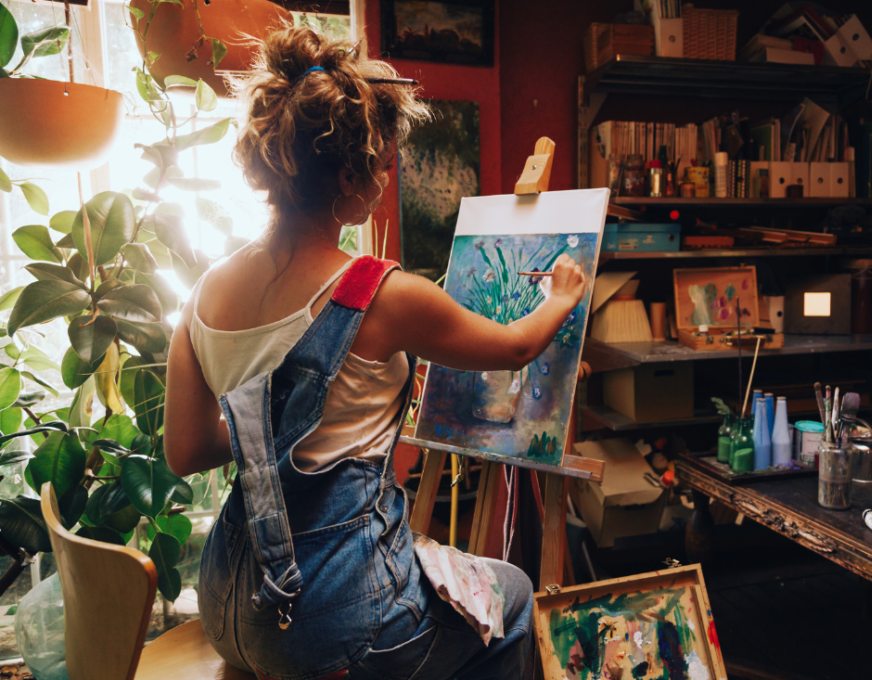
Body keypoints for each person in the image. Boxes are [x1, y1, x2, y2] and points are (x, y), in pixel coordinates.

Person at [164, 26, 585, 680]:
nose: (385, 182)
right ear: (352, 177)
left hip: (230, 607)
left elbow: (185, 449)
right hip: (337, 618)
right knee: (516, 597)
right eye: (382, 166)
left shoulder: (204, 293)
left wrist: (272, 427)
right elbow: (515, 348)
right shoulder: (379, 294)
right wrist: (559, 296)